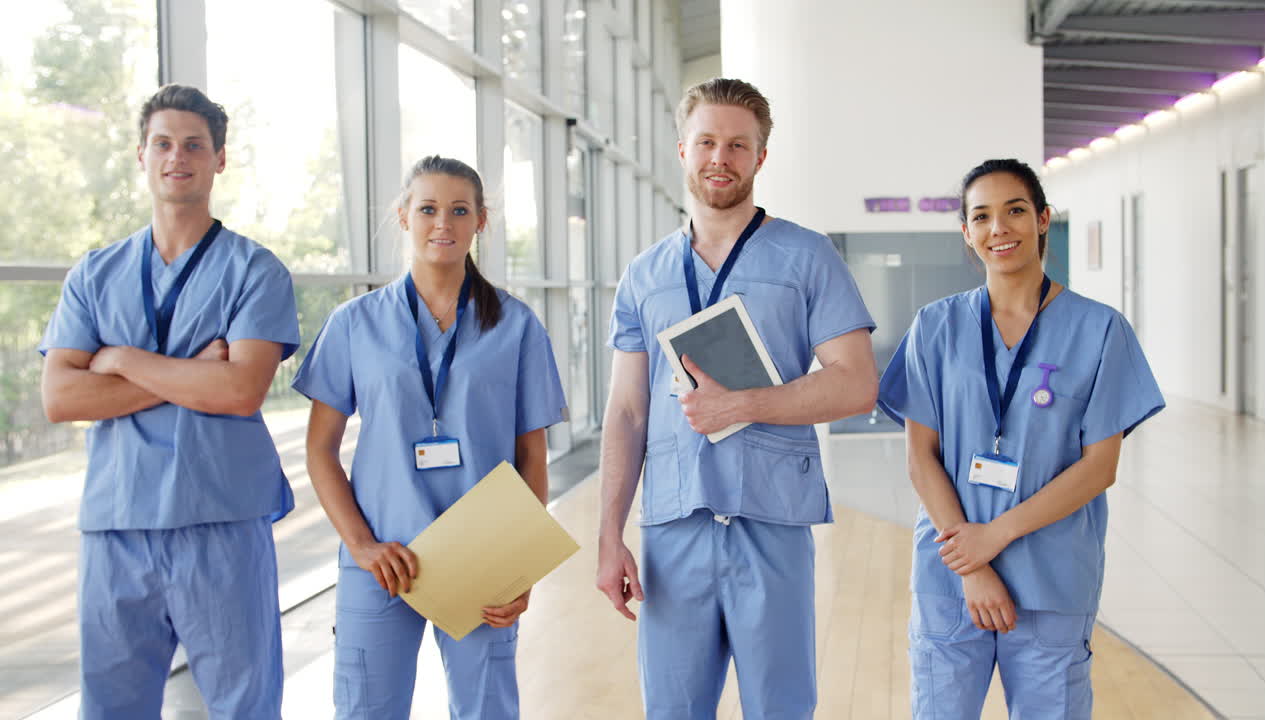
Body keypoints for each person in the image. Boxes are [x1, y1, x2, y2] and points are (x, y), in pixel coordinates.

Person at [595, 77, 879, 719]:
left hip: (770, 518)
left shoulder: (807, 257)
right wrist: (609, 535)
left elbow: (856, 381)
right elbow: (627, 411)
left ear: (760, 157)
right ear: (682, 150)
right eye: (706, 142)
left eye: (736, 145)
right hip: (673, 527)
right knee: (672, 710)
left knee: (780, 708)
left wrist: (743, 404)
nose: (719, 157)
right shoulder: (645, 276)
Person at [39, 84, 299, 719]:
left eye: (193, 144)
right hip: (117, 525)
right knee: (111, 708)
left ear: (219, 159)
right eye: (162, 143)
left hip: (221, 520)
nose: (176, 156)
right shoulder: (95, 274)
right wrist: (186, 375)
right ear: (141, 155)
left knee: (245, 706)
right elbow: (61, 397)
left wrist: (121, 359)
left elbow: (239, 391)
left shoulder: (255, 271)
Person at [877, 158, 1165, 719]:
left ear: (1042, 219)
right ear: (966, 232)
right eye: (980, 217)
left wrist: (996, 537)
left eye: (1014, 211)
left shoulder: (1100, 329)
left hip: (1050, 576)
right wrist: (974, 564)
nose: (998, 229)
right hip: (951, 572)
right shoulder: (936, 326)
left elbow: (1099, 466)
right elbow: (920, 457)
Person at [293, 155, 566, 720]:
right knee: (366, 710)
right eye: (428, 209)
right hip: (382, 560)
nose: (443, 223)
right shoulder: (354, 323)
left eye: (459, 210)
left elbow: (531, 456)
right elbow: (319, 450)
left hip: (482, 561)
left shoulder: (515, 326)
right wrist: (362, 546)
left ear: (480, 222)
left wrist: (519, 566)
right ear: (403, 216)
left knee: (487, 711)